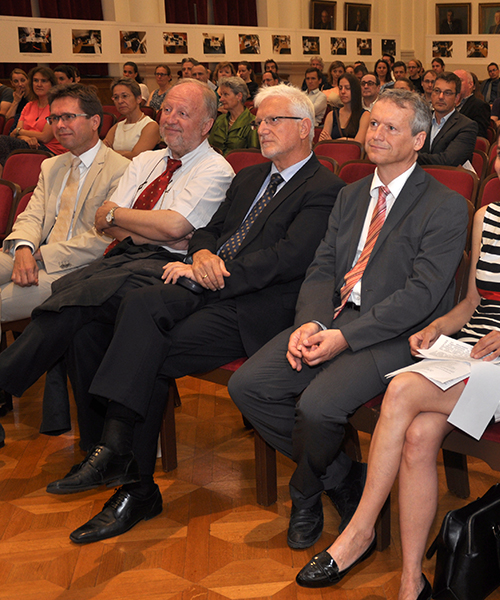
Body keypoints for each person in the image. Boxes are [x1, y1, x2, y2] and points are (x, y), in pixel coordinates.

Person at [295, 108, 500, 598]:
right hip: (474, 349)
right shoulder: (486, 217)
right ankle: (411, 578)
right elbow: (475, 302)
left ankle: (359, 530)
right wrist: (435, 327)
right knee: (417, 437)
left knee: (400, 387)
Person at [42, 84, 345, 544]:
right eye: (259, 120)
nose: (261, 128)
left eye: (272, 121)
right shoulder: (249, 177)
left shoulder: (326, 188)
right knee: (113, 321)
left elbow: (289, 259)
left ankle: (129, 476)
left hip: (256, 307)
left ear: (305, 128)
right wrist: (201, 257)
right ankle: (120, 461)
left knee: (146, 350)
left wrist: (215, 273)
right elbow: (207, 230)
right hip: (208, 287)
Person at [228, 89, 469, 552]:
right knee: (248, 386)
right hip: (334, 317)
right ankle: (338, 475)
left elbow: (421, 295)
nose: (375, 134)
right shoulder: (352, 192)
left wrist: (344, 337)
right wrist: (311, 323)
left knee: (316, 407)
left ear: (419, 139)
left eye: (390, 128)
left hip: (398, 334)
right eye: (373, 124)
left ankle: (303, 495)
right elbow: (322, 266)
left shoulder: (445, 203)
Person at [0, 79, 234, 439]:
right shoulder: (145, 160)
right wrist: (142, 224)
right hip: (122, 257)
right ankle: (94, 445)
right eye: (167, 110)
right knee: (76, 318)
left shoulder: (215, 169)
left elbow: (172, 226)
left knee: (70, 300)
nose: (169, 119)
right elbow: (105, 220)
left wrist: (129, 220)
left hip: (162, 269)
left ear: (206, 125)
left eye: (182, 113)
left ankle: (8, 381)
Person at [0, 84, 130, 323]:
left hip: (78, 267)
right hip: (32, 250)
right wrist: (23, 249)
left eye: (68, 117)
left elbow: (104, 238)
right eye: (55, 118)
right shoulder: (51, 165)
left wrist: (40, 256)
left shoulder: (120, 170)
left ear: (94, 122)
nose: (59, 125)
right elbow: (32, 216)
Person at [0, 67, 65, 167]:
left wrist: (20, 132)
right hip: (28, 145)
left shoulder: (57, 106)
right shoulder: (29, 106)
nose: (39, 84)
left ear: (52, 84)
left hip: (50, 150)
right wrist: (25, 138)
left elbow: (45, 137)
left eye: (43, 81)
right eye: (35, 81)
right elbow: (13, 134)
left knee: (2, 141)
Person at [418, 72, 478, 168]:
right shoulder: (421, 120)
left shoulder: (466, 126)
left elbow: (448, 161)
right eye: (437, 91)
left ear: (457, 98)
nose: (441, 97)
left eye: (447, 93)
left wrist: (411, 157)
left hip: (448, 180)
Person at [104, 78, 160, 160]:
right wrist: (126, 153)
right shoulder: (117, 127)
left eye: (124, 96)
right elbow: (101, 152)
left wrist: (110, 152)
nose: (120, 101)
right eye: (116, 97)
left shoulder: (150, 126)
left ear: (138, 99)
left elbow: (136, 157)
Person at [208, 77, 258, 155]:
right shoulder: (219, 120)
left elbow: (253, 155)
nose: (221, 99)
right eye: (221, 95)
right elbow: (209, 147)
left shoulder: (252, 123)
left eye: (226, 95)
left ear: (239, 96)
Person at [320, 73, 370, 144]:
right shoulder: (331, 115)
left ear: (355, 90)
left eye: (347, 88)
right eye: (340, 88)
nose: (343, 92)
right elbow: (322, 142)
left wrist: (333, 141)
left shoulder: (365, 115)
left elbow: (358, 144)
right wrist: (348, 140)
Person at [455, 69, 491, 139]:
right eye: (453, 81)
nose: (456, 84)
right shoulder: (448, 104)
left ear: (470, 84)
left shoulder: (480, 106)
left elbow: (479, 135)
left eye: (460, 80)